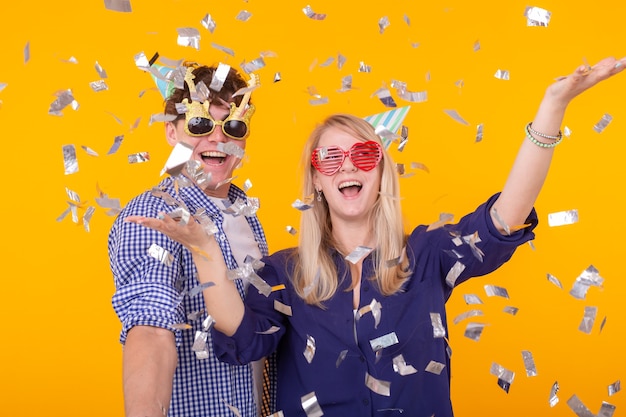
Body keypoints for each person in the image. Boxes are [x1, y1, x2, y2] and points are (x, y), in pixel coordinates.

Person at [126, 57, 626, 416]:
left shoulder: (427, 255)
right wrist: (207, 251)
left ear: (382, 172)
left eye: (364, 156)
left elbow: (505, 216)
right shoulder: (283, 272)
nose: (349, 167)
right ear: (316, 181)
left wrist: (552, 106)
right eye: (331, 159)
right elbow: (241, 335)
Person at [109, 61, 271, 417]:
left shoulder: (245, 213)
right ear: (171, 132)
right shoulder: (155, 214)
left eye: (233, 124)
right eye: (200, 124)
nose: (218, 138)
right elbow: (151, 329)